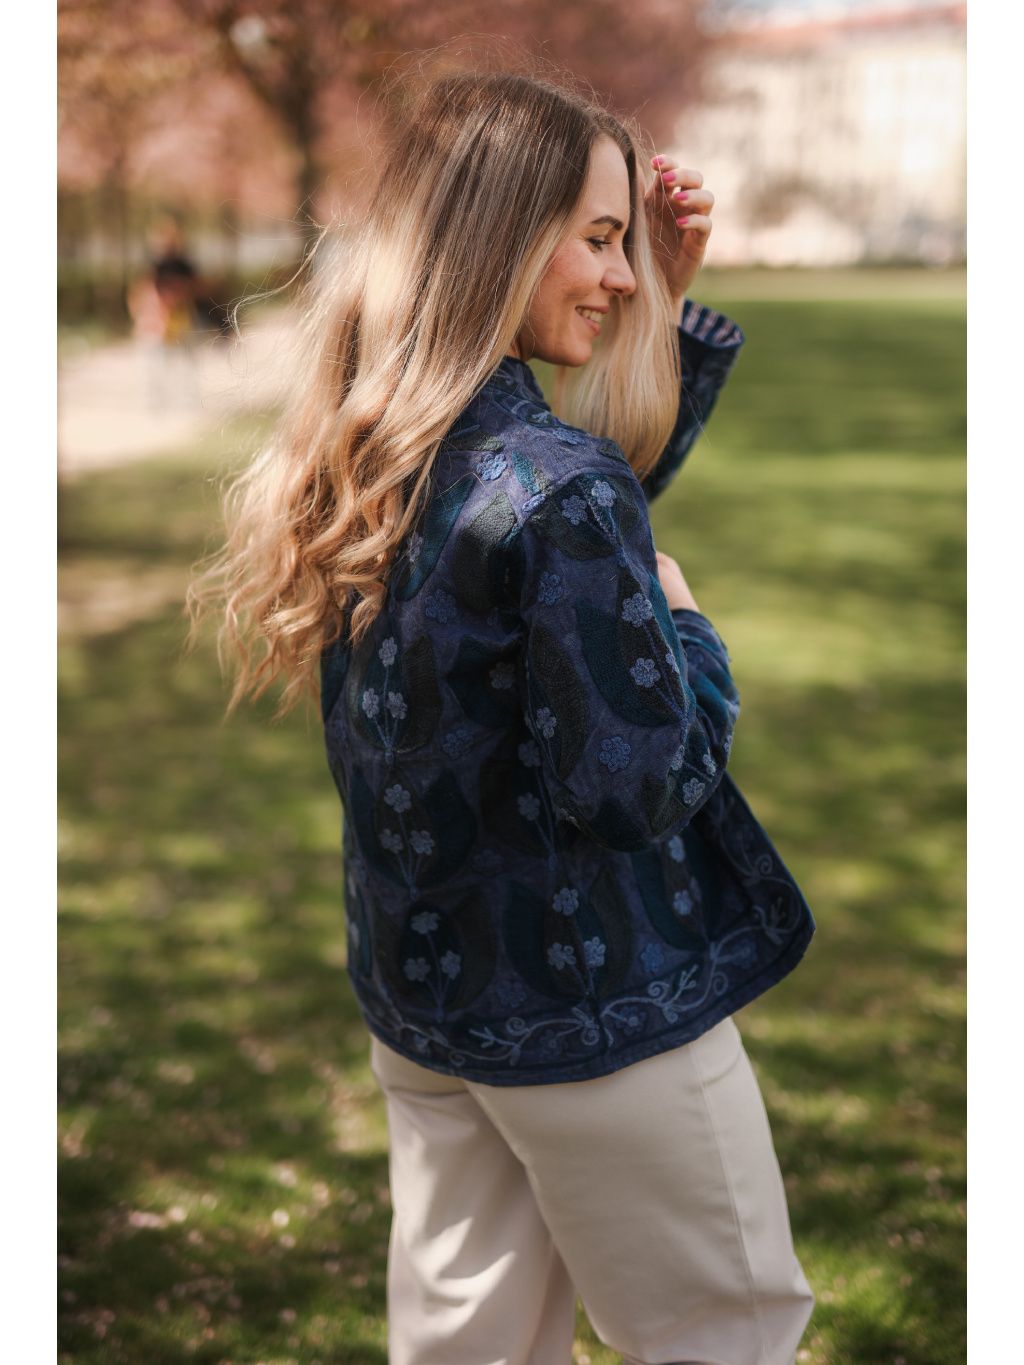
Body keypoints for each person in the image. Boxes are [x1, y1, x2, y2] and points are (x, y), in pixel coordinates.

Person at [188, 67, 817, 1365]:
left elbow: (566, 555)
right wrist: (690, 630)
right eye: (601, 239)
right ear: (505, 237)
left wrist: (665, 298)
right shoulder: (552, 484)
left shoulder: (379, 447)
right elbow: (635, 780)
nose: (623, 275)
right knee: (728, 1332)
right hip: (598, 1004)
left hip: (430, 1001)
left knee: (469, 1344)